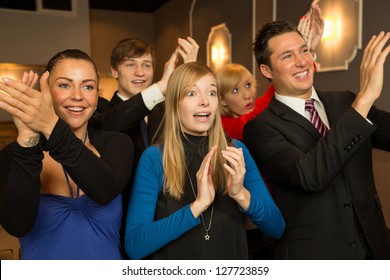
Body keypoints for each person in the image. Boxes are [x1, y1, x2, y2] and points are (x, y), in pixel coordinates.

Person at [243, 19, 390, 259]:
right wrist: (364, 100)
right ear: (267, 70)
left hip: (375, 250)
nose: (302, 61)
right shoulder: (260, 129)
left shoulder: (345, 102)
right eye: (287, 56)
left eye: (304, 50)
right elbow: (311, 175)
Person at [124, 62, 285, 260]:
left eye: (211, 93)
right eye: (192, 94)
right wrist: (197, 206)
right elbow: (135, 245)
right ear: (175, 102)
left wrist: (240, 194)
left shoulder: (236, 151)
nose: (204, 102)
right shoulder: (154, 158)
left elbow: (276, 228)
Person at [0, 49, 134, 259]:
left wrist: (50, 126)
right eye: (64, 85)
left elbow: (105, 189)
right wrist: (27, 138)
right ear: (45, 93)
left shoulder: (116, 144)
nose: (77, 96)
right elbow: (17, 225)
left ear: (97, 97)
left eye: (88, 86)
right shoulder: (13, 154)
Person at [91, 36, 199, 258]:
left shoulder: (166, 111)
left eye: (146, 65)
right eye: (130, 64)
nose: (140, 72)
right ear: (114, 71)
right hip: (123, 223)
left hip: (172, 219)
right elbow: (114, 123)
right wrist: (162, 86)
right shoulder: (101, 110)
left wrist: (188, 75)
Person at [216, 1, 324, 141]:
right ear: (221, 100)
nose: (247, 96)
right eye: (235, 90)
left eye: (248, 85)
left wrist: (307, 55)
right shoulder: (223, 126)